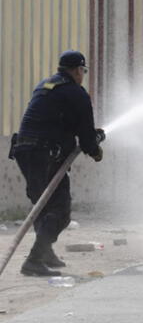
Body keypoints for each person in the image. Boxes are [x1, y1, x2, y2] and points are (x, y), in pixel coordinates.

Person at [8, 50, 104, 277]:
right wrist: (97, 149)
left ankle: (44, 252)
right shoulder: (76, 93)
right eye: (83, 70)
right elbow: (88, 139)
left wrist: (89, 138)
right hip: (44, 153)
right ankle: (33, 261)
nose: (83, 75)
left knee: (43, 207)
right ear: (77, 70)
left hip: (26, 150)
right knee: (59, 210)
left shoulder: (46, 84)